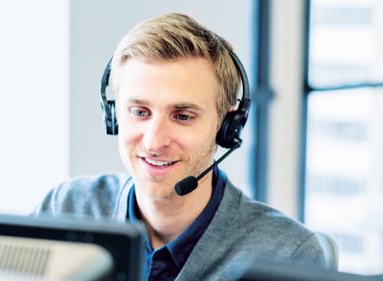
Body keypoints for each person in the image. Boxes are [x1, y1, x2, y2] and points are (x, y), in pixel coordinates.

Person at [36, 13, 328, 281]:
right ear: (113, 116)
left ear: (227, 126)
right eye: (139, 112)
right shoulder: (67, 207)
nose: (154, 142)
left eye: (183, 116)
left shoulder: (287, 253)